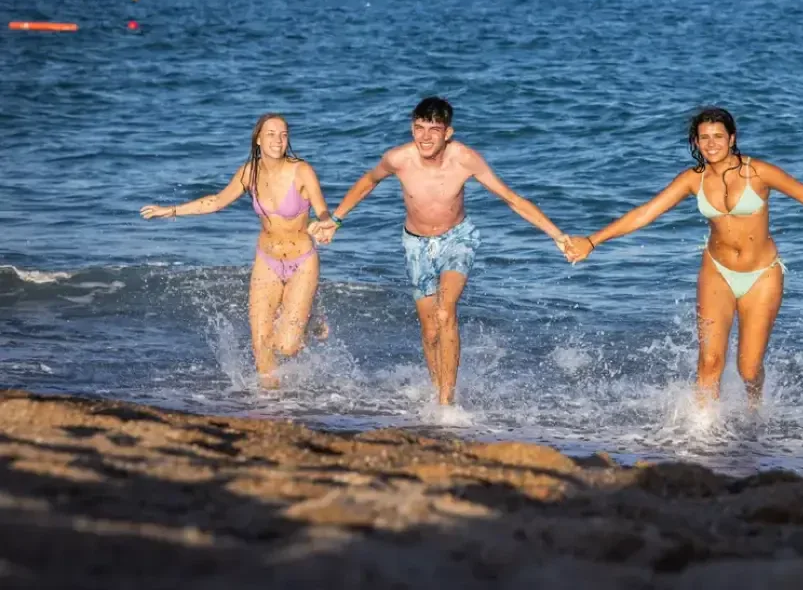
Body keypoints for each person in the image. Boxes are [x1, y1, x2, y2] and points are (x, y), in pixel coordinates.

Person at [565, 106, 803, 405]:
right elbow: (646, 213)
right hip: (717, 271)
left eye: (718, 136)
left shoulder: (757, 172)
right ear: (696, 142)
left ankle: (754, 405)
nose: (711, 144)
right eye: (704, 137)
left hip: (761, 275)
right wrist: (592, 241)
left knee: (748, 369)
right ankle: (702, 431)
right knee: (710, 362)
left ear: (732, 138)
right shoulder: (692, 179)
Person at [315, 97, 570, 405]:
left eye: (434, 129)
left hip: (457, 239)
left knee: (445, 311)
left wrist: (558, 235)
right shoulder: (398, 159)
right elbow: (368, 181)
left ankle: (446, 402)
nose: (425, 137)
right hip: (415, 244)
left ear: (448, 133)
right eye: (419, 128)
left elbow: (511, 198)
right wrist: (336, 220)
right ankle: (438, 389)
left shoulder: (465, 159)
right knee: (430, 330)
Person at [140, 113, 333, 389]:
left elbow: (322, 209)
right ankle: (270, 404)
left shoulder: (301, 170)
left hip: (302, 261)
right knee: (261, 345)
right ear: (258, 139)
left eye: (283, 135)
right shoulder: (248, 172)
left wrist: (324, 223)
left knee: (287, 346)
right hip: (267, 260)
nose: (278, 140)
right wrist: (171, 210)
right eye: (271, 134)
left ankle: (310, 318)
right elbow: (216, 201)